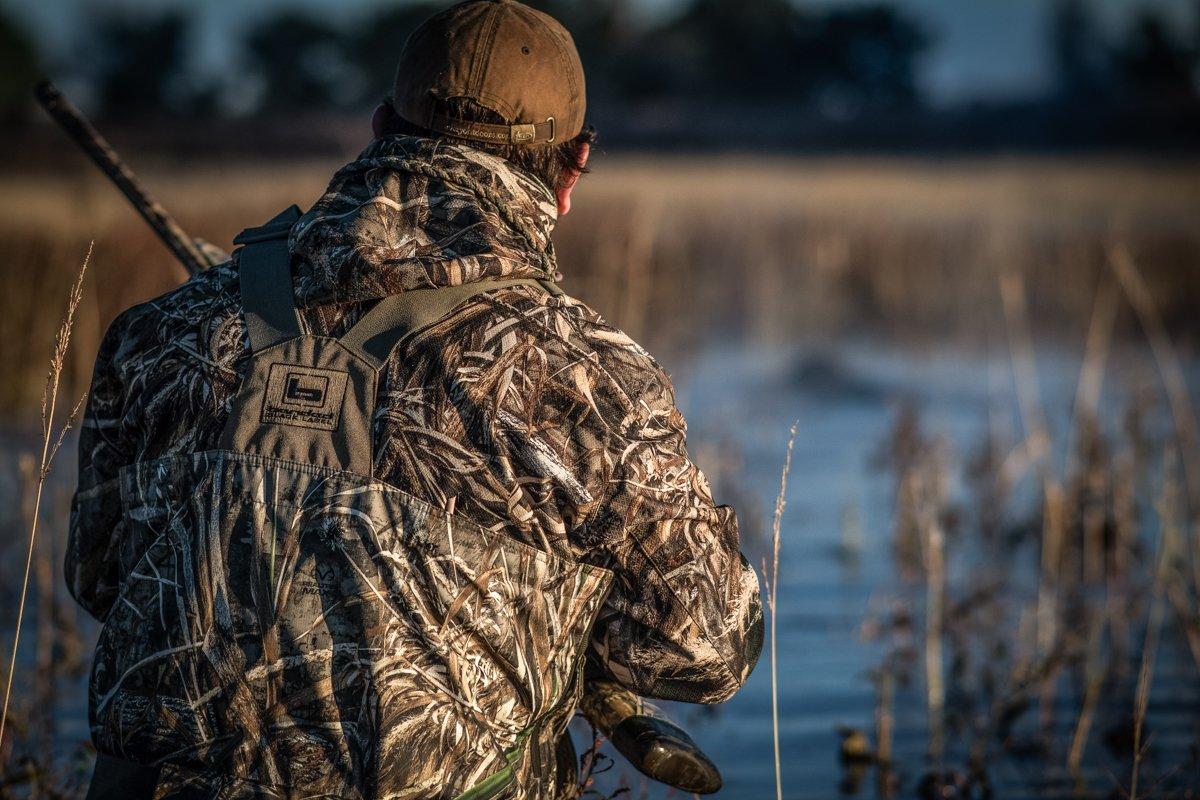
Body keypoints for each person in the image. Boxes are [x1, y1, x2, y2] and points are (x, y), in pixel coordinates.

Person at [66, 1, 762, 797]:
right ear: (572, 168)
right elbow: (706, 650)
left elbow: (101, 580)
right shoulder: (591, 378)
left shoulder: (159, 330)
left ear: (378, 126)